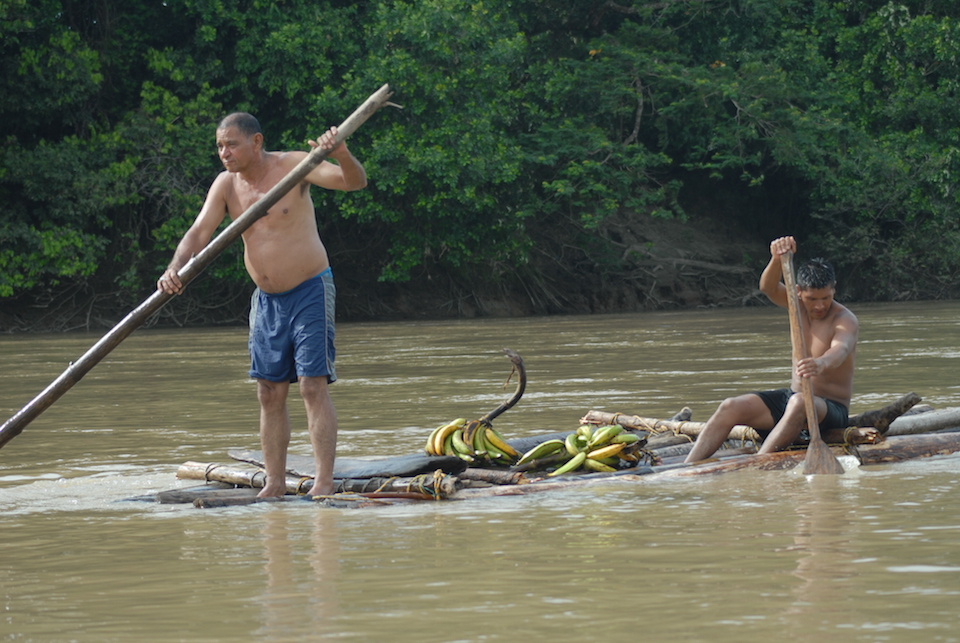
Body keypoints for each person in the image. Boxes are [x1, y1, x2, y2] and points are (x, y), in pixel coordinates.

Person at [157, 112, 367, 497]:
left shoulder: (291, 166)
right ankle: (274, 483)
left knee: (311, 386)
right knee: (269, 392)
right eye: (220, 146)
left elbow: (353, 182)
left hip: (310, 289)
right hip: (267, 300)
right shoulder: (226, 186)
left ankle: (323, 483)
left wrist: (341, 154)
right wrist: (175, 269)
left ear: (256, 142)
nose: (224, 153)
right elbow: (198, 232)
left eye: (231, 144)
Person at [684, 236, 858, 463]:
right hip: (794, 399)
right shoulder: (795, 305)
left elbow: (841, 350)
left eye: (826, 297)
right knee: (730, 406)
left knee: (799, 403)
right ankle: (688, 466)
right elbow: (767, 287)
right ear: (798, 292)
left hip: (829, 410)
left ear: (834, 290)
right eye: (812, 298)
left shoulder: (845, 319)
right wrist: (776, 259)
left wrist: (820, 363)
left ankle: (757, 464)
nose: (819, 305)